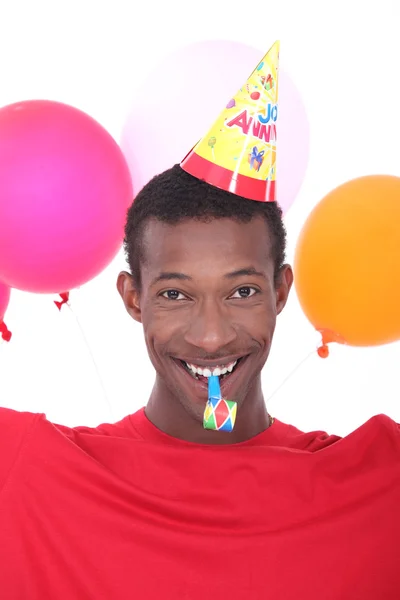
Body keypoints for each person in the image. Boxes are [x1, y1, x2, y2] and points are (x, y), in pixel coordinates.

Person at [1, 42, 400, 599]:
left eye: (241, 291)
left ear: (281, 291)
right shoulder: (24, 475)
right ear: (132, 297)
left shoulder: (382, 486)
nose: (212, 336)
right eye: (175, 295)